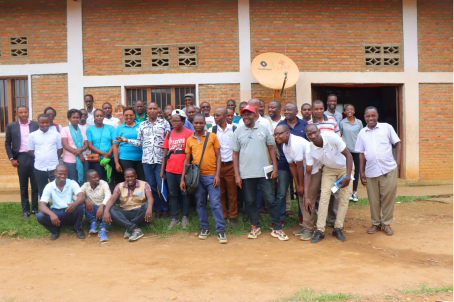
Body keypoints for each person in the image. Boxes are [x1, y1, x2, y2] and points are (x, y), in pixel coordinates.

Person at [231, 105, 288, 241]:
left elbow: (272, 149)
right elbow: (234, 154)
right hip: (246, 173)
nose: (246, 116)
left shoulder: (263, 129)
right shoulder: (238, 132)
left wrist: (275, 168)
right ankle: (255, 226)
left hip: (264, 172)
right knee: (250, 201)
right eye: (243, 114)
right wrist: (237, 175)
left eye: (249, 114)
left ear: (255, 115)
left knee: (270, 200)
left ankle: (277, 228)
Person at [117, 103, 171, 218]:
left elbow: (168, 142)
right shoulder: (142, 125)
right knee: (151, 186)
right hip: (146, 160)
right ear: (147, 111)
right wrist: (126, 140)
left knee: (161, 185)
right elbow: (139, 142)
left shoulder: (164, 123)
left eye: (155, 108)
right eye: (150, 108)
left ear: (158, 110)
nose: (152, 110)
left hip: (160, 160)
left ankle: (165, 208)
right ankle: (157, 209)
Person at [181, 113, 227, 244]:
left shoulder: (212, 136)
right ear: (192, 123)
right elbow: (187, 160)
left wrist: (218, 175)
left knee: (215, 203)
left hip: (212, 176)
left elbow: (218, 156)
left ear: (205, 123)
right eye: (196, 123)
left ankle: (221, 230)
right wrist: (183, 178)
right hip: (197, 178)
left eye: (201, 123)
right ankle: (204, 227)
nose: (198, 125)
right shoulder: (190, 139)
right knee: (200, 203)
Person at [355, 106, 401, 236]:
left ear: (377, 116)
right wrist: (362, 172)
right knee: (373, 199)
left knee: (387, 198)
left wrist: (397, 163)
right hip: (371, 171)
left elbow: (397, 143)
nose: (370, 118)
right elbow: (361, 153)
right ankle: (375, 223)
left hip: (388, 169)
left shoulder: (387, 127)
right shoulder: (362, 133)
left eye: (373, 115)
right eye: (368, 116)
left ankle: (386, 224)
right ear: (364, 117)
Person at [304, 124, 353, 243]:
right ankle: (320, 230)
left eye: (315, 132)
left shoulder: (332, 137)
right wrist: (306, 197)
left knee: (344, 197)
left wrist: (347, 175)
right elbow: (308, 173)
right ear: (307, 136)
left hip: (345, 168)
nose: (313, 136)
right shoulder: (309, 149)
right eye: (310, 134)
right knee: (324, 197)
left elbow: (348, 155)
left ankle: (338, 228)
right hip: (329, 170)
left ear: (319, 131)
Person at [274, 124, 312, 240]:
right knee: (301, 197)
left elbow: (300, 166)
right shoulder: (285, 146)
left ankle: (309, 229)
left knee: (308, 197)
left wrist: (301, 185)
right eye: (275, 134)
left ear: (287, 133)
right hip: (303, 171)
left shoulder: (296, 143)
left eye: (279, 134)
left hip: (311, 171)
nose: (277, 137)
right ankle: (304, 225)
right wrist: (297, 184)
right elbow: (292, 166)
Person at [276, 103, 308, 224]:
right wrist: (287, 153)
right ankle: (280, 218)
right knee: (281, 192)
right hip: (285, 162)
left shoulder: (304, 124)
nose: (286, 112)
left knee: (301, 189)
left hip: (301, 163)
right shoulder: (281, 125)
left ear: (296, 111)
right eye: (285, 110)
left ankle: (302, 216)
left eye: (289, 110)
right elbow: (279, 143)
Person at [5, 106, 39, 220]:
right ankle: (26, 211)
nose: (23, 114)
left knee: (35, 185)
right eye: (20, 112)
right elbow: (7, 143)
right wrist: (11, 159)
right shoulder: (11, 126)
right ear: (17, 113)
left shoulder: (35, 124)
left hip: (34, 157)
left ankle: (34, 209)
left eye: (25, 112)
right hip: (21, 157)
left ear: (28, 112)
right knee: (23, 186)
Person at [161, 110, 193, 229]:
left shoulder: (189, 133)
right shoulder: (169, 134)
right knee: (172, 194)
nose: (174, 122)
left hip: (184, 169)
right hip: (170, 169)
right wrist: (162, 169)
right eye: (172, 120)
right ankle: (174, 217)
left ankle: (185, 216)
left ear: (183, 121)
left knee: (184, 193)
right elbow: (165, 152)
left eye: (177, 120)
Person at [36, 164, 86, 240]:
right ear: (55, 172)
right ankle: (55, 230)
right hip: (56, 212)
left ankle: (77, 228)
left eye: (65, 174)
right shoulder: (49, 186)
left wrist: (74, 204)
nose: (62, 176)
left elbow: (82, 196)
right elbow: (42, 205)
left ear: (67, 174)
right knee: (40, 216)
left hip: (70, 210)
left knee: (80, 206)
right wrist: (51, 214)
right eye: (60, 173)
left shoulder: (72, 183)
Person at [103, 168, 153, 242]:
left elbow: (150, 197)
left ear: (136, 176)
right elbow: (112, 199)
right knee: (110, 208)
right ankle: (133, 229)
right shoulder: (119, 186)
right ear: (124, 177)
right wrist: (106, 211)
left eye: (132, 176)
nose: (130, 179)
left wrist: (149, 208)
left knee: (146, 205)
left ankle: (129, 227)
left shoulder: (145, 184)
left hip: (139, 213)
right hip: (125, 213)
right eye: (127, 177)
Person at [209, 107, 238, 226]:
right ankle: (223, 214)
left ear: (225, 116)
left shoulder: (235, 129)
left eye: (218, 115)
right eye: (214, 115)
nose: (215, 117)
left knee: (232, 192)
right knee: (220, 192)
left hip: (231, 164)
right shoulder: (212, 130)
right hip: (218, 166)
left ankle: (233, 215)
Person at [28, 114, 63, 198]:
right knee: (42, 191)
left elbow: (60, 150)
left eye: (47, 122)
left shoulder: (56, 134)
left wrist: (53, 158)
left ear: (50, 122)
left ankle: (57, 209)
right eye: (42, 122)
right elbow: (30, 151)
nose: (45, 124)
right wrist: (39, 157)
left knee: (57, 190)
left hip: (54, 167)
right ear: (38, 123)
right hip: (39, 167)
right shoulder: (32, 135)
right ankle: (45, 210)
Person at [339, 104, 363, 202]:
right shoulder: (342, 123)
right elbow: (339, 136)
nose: (349, 111)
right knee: (347, 171)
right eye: (347, 109)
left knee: (356, 171)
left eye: (351, 109)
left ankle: (354, 192)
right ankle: (347, 193)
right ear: (344, 112)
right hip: (346, 151)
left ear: (354, 111)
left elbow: (362, 135)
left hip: (357, 150)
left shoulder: (359, 122)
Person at [113, 107, 145, 181]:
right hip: (125, 158)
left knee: (141, 180)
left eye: (131, 115)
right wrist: (117, 163)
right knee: (129, 180)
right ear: (123, 116)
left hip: (141, 158)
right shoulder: (119, 128)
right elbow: (115, 146)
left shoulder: (141, 125)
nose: (129, 117)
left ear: (134, 115)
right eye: (126, 115)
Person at [86, 109, 115, 187]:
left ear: (104, 117)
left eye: (101, 116)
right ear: (94, 117)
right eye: (97, 116)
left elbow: (114, 143)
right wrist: (104, 153)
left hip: (109, 158)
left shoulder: (110, 128)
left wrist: (108, 153)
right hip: (96, 159)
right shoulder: (90, 129)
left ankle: (111, 197)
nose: (99, 117)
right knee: (98, 180)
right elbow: (90, 145)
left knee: (110, 179)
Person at [81, 169, 111, 241]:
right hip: (92, 209)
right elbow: (76, 195)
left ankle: (103, 230)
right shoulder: (85, 185)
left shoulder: (103, 183)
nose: (97, 179)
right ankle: (93, 223)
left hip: (103, 208)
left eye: (98, 176)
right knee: (84, 205)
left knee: (109, 209)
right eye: (94, 177)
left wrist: (101, 206)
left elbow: (108, 195)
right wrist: (85, 200)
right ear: (88, 179)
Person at [61, 109, 89, 185]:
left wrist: (81, 150)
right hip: (70, 161)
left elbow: (86, 144)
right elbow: (65, 145)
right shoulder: (65, 129)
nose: (76, 119)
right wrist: (79, 154)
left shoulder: (82, 130)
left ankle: (82, 197)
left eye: (77, 117)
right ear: (69, 118)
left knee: (83, 182)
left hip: (83, 160)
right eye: (73, 117)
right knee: (72, 183)